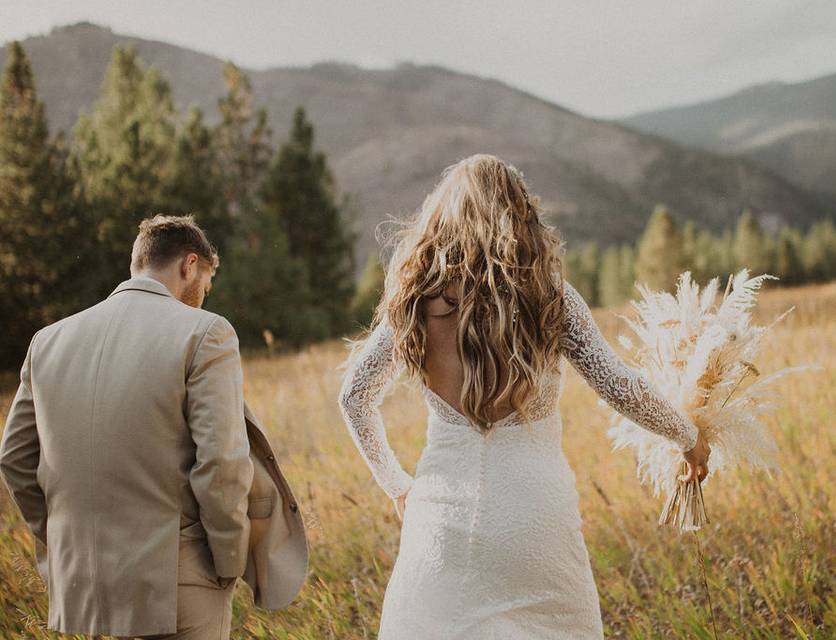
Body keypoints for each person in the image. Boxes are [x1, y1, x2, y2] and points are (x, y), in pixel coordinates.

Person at [337, 154, 711, 639]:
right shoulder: (548, 296)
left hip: (443, 521)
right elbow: (619, 385)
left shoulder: (415, 301)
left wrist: (397, 485)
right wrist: (687, 436)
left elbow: (354, 397)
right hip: (536, 518)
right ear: (520, 213)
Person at [0, 214, 308, 639]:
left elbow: (14, 460)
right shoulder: (205, 332)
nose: (205, 295)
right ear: (189, 265)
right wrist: (228, 561)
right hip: (178, 577)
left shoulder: (48, 341)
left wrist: (63, 538)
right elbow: (221, 463)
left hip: (83, 583)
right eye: (206, 282)